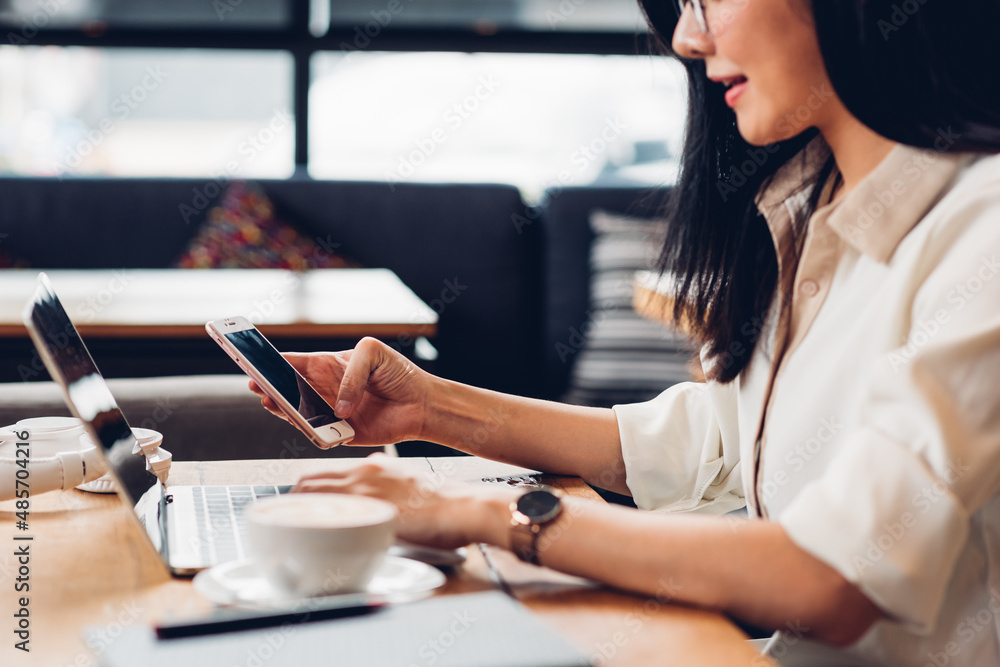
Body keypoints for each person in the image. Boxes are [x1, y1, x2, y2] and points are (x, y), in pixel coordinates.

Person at [250, 0, 1000, 663]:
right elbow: (716, 436)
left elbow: (835, 576)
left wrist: (484, 514)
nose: (685, 38)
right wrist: (430, 408)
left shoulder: (982, 229)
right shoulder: (804, 205)